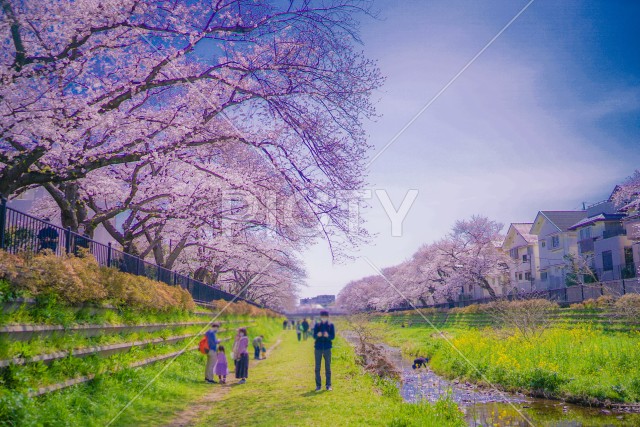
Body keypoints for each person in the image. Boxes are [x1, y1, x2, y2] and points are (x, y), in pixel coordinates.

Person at [313, 310, 335, 392]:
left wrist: (328, 336)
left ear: (328, 317)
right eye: (322, 316)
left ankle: (328, 385)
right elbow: (314, 336)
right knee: (317, 368)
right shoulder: (317, 325)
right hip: (318, 348)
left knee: (328, 367)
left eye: (325, 316)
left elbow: (332, 337)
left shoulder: (330, 325)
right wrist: (317, 335)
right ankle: (318, 386)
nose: (324, 318)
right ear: (320, 317)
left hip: (327, 348)